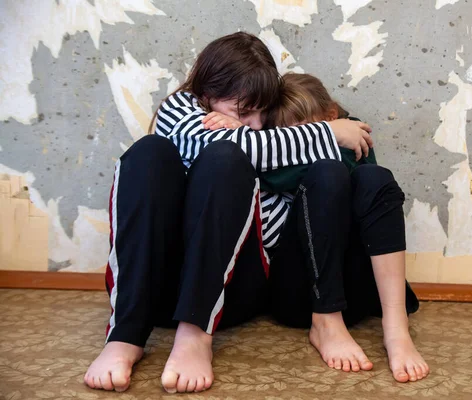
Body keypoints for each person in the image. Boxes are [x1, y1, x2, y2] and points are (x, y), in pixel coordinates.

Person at [84, 32, 373, 394]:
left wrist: (270, 142)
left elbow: (271, 192)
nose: (254, 123)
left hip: (230, 296)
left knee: (228, 160)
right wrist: (329, 132)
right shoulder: (180, 109)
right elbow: (230, 144)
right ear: (206, 96)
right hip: (160, 292)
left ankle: (195, 333)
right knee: (149, 152)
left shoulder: (264, 131)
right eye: (242, 112)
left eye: (260, 113)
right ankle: (124, 335)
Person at [204, 72, 430, 383]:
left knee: (375, 178)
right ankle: (325, 321)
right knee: (326, 172)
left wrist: (328, 142)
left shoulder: (354, 134)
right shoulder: (278, 153)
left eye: (308, 135)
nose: (298, 146)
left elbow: (360, 176)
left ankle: (396, 327)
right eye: (286, 140)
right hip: (300, 296)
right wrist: (243, 132)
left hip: (357, 292)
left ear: (330, 118)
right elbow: (267, 174)